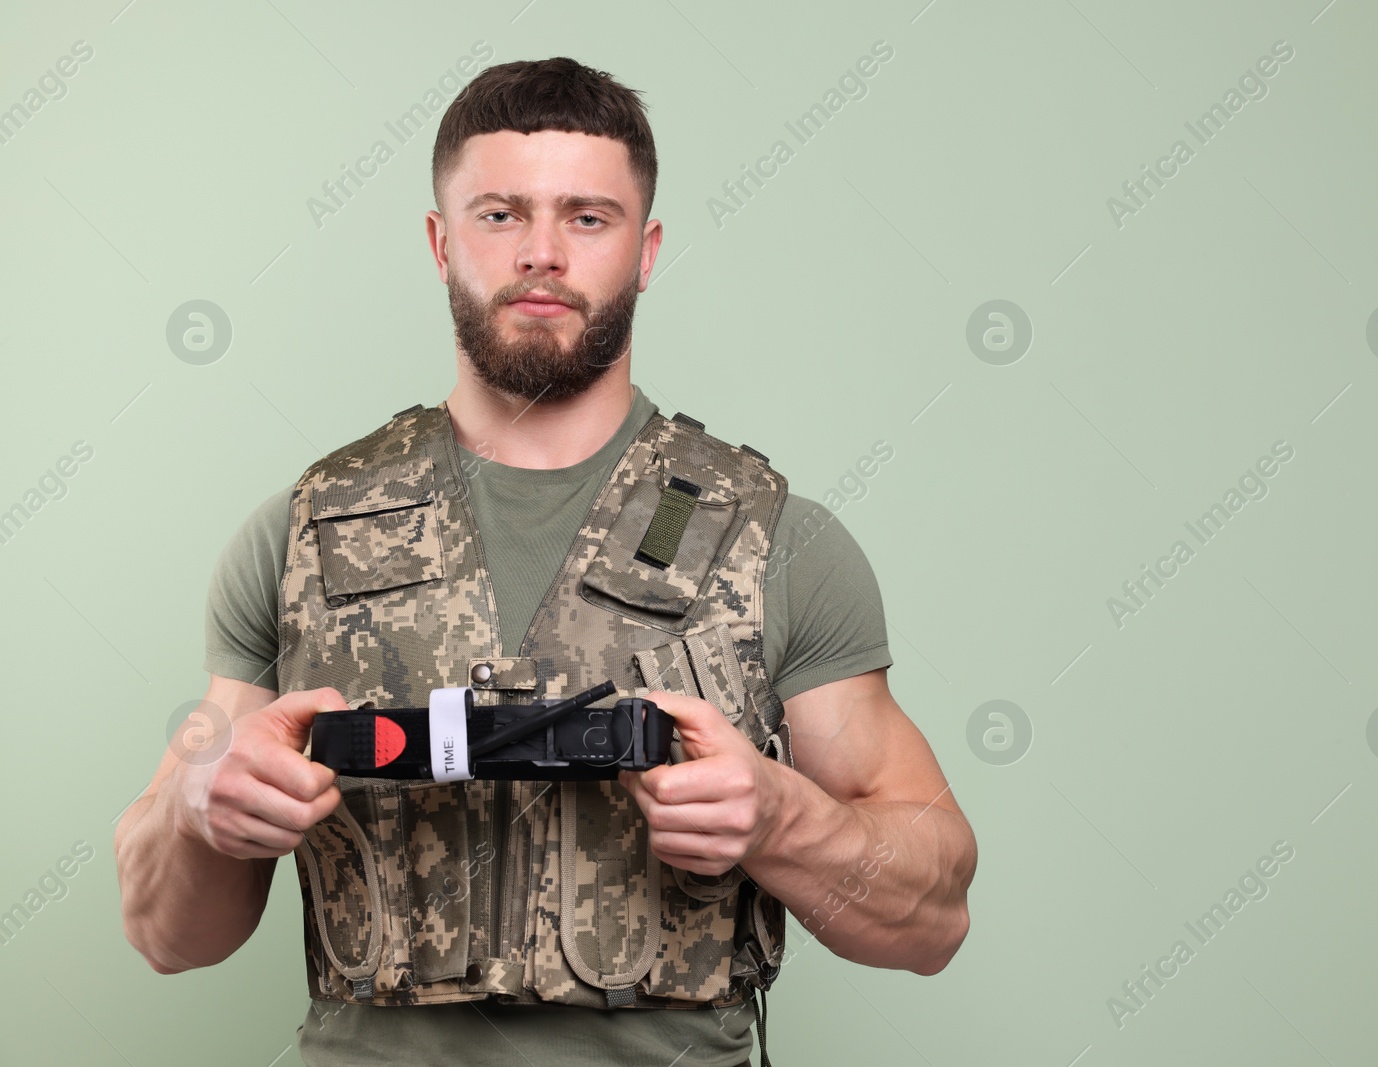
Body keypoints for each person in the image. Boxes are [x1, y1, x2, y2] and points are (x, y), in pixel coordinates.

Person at [114, 56, 976, 1067]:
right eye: (498, 215)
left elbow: (933, 919)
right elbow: (169, 934)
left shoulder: (774, 541)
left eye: (588, 217)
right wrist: (200, 803)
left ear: (646, 250)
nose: (542, 254)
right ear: (441, 242)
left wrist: (781, 817)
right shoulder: (301, 535)